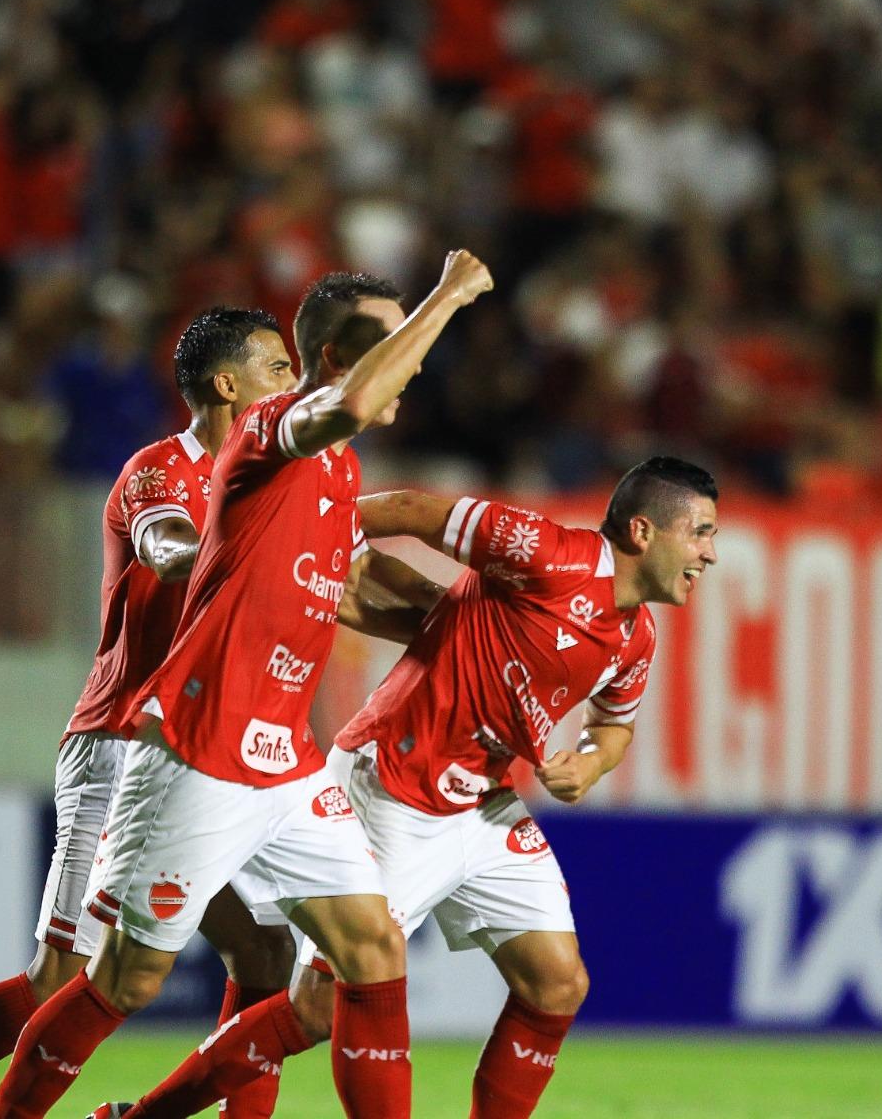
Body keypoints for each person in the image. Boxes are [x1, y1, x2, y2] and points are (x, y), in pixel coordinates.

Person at [0, 254, 494, 1119]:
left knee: (367, 956)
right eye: (389, 333)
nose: (409, 352)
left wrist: (481, 633)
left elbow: (356, 593)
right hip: (199, 743)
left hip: (285, 757)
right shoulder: (272, 431)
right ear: (337, 355)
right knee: (123, 977)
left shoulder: (335, 474)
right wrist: (448, 295)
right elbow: (358, 403)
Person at [90, 457, 720, 1119]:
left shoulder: (636, 637)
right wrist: (305, 528)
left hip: (482, 803)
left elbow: (612, 727)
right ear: (645, 532)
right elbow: (419, 512)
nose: (709, 553)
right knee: (319, 1005)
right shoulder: (552, 554)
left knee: (558, 983)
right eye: (701, 532)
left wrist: (589, 764)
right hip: (390, 782)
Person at [0, 307, 300, 1119]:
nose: (294, 382)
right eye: (279, 366)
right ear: (229, 384)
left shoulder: (275, 486)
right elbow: (168, 548)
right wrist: (249, 561)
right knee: (63, 977)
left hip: (218, 755)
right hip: (123, 745)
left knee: (263, 949)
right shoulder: (160, 469)